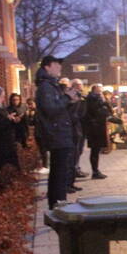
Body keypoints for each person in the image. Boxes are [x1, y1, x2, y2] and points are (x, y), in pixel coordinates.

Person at [34, 56, 76, 209]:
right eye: (56, 65)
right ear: (47, 66)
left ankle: (57, 203)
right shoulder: (46, 87)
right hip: (56, 133)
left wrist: (69, 100)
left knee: (59, 171)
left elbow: (56, 108)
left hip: (58, 132)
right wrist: (66, 98)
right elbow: (50, 109)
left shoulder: (50, 85)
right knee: (59, 171)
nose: (59, 68)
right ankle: (58, 203)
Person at [82, 84, 111, 179]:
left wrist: (105, 102)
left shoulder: (99, 99)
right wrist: (103, 102)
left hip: (99, 127)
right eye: (99, 90)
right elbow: (95, 111)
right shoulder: (91, 99)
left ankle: (96, 170)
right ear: (95, 90)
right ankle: (95, 171)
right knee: (95, 150)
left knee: (96, 150)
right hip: (94, 128)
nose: (101, 92)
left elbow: (108, 111)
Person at [66, 79, 87, 190]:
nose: (81, 87)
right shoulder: (68, 97)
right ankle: (68, 183)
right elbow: (72, 113)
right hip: (71, 129)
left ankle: (71, 182)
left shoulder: (81, 97)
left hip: (78, 129)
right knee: (70, 157)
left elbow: (82, 113)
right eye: (79, 85)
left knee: (76, 155)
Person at [28, 98, 49, 173]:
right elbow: (31, 123)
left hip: (42, 133)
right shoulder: (33, 112)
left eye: (31, 104)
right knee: (40, 150)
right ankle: (41, 165)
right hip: (37, 133)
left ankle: (45, 166)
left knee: (43, 150)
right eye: (28, 104)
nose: (29, 106)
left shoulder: (40, 112)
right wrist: (30, 116)